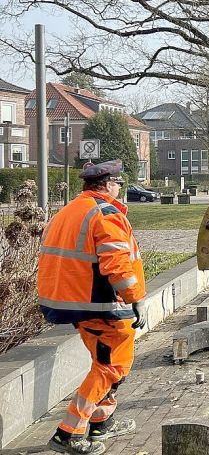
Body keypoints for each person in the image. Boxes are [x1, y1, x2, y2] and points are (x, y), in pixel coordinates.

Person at [38, 160, 148, 455]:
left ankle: (102, 422)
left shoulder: (71, 211)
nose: (119, 190)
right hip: (103, 307)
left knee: (104, 363)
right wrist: (135, 298)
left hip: (77, 304)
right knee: (111, 368)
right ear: (109, 184)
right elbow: (118, 265)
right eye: (119, 185)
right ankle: (67, 434)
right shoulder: (105, 214)